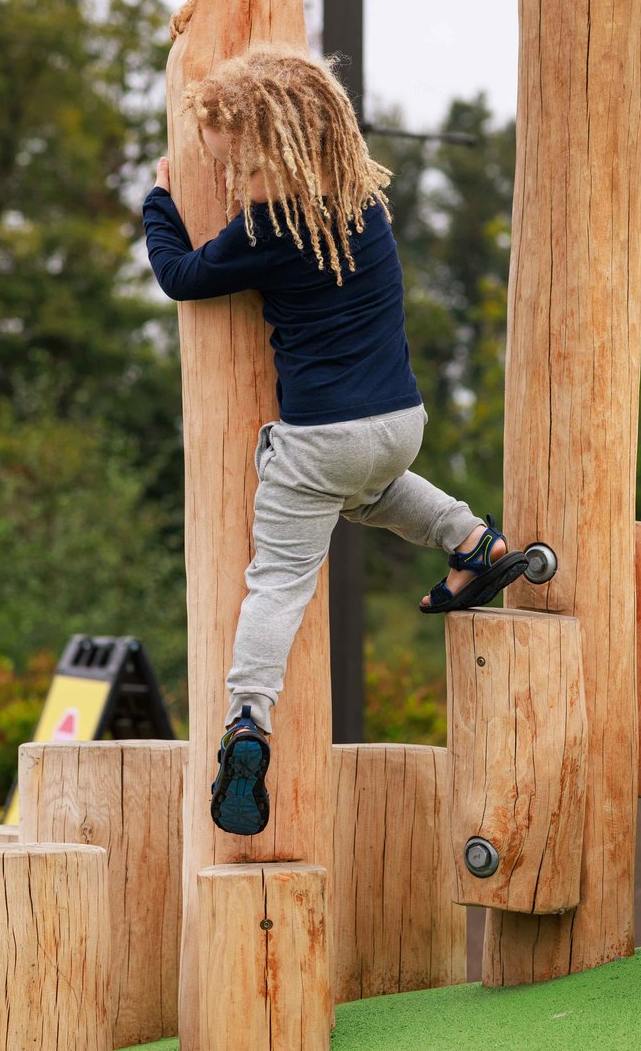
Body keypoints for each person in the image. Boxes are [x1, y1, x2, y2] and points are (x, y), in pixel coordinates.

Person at [143, 42, 518, 839]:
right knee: (371, 493)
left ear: (279, 154)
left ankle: (247, 719)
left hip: (319, 438)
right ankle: (473, 540)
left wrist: (160, 201)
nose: (235, 188)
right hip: (398, 426)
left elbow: (183, 276)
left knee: (277, 582)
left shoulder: (271, 228)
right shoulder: (365, 207)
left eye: (241, 171)